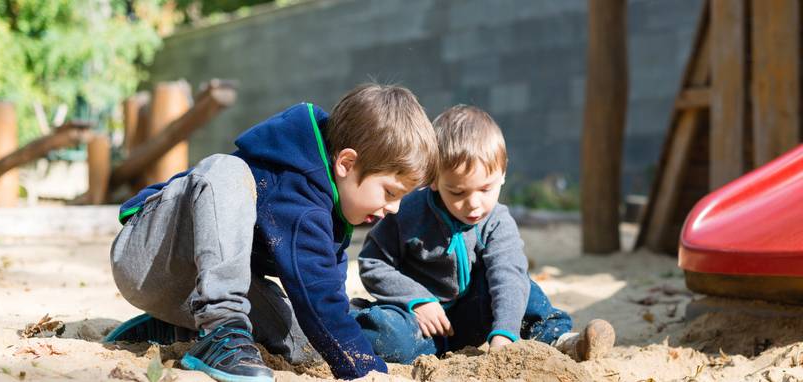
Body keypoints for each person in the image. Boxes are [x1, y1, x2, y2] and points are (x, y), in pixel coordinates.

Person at [106, 84, 439, 381]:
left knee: (305, 342)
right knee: (227, 170)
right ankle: (223, 328)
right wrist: (366, 370)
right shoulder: (294, 185)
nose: (393, 208)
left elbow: (324, 301)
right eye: (391, 193)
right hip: (150, 253)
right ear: (347, 164)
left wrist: (357, 354)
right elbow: (319, 298)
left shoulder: (333, 209)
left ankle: (179, 328)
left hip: (194, 288)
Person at [352, 105, 616, 364]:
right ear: (432, 178)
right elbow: (373, 262)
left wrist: (504, 334)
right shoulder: (407, 212)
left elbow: (507, 275)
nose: (474, 204)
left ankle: (559, 340)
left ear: (502, 174)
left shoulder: (497, 221)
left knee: (520, 285)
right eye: (457, 192)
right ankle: (355, 320)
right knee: (386, 334)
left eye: (485, 189)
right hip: (420, 323)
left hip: (473, 317)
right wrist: (416, 300)